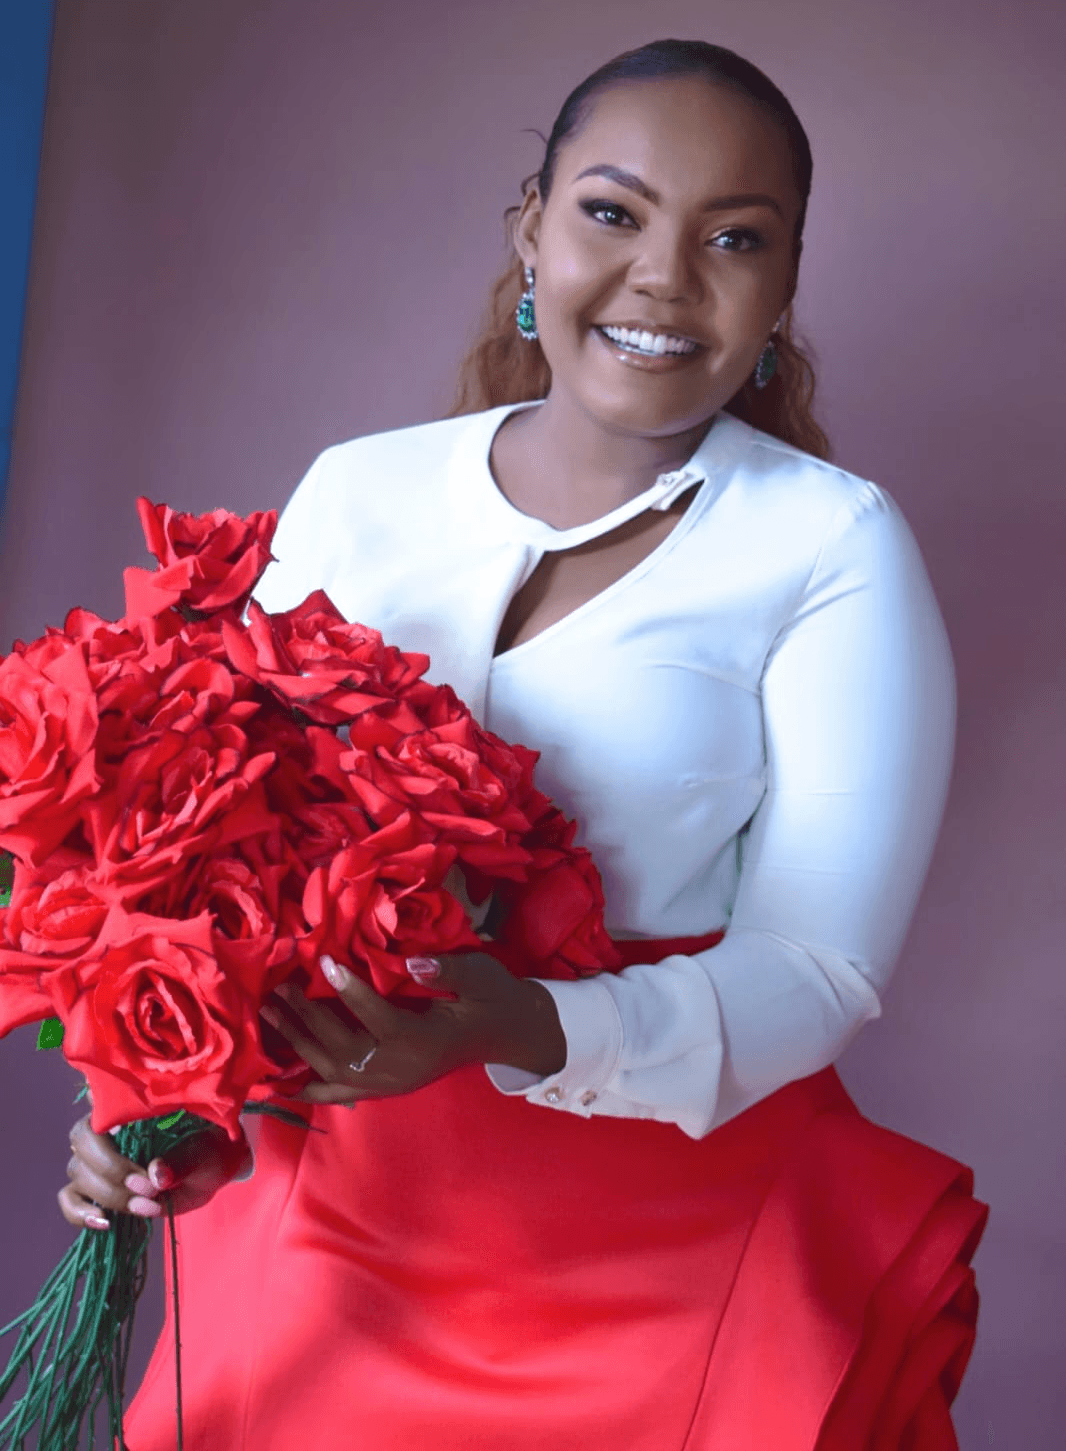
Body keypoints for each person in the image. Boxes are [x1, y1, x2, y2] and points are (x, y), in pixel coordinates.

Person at [60, 39, 987, 1450]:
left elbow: (822, 965)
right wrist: (166, 1112)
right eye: (612, 212)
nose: (665, 276)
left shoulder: (832, 547)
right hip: (323, 1223)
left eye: (734, 238)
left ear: (783, 286)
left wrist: (523, 1023)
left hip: (657, 1247)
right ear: (531, 229)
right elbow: (211, 872)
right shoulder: (354, 494)